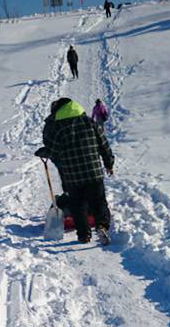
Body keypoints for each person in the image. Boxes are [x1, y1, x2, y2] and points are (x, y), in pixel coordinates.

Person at [36, 97, 114, 244]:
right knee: (98, 202)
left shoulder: (58, 128)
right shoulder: (90, 122)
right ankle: (102, 226)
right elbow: (104, 145)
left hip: (72, 176)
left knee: (78, 206)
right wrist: (109, 163)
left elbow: (53, 150)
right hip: (94, 172)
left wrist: (43, 152)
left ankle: (84, 235)